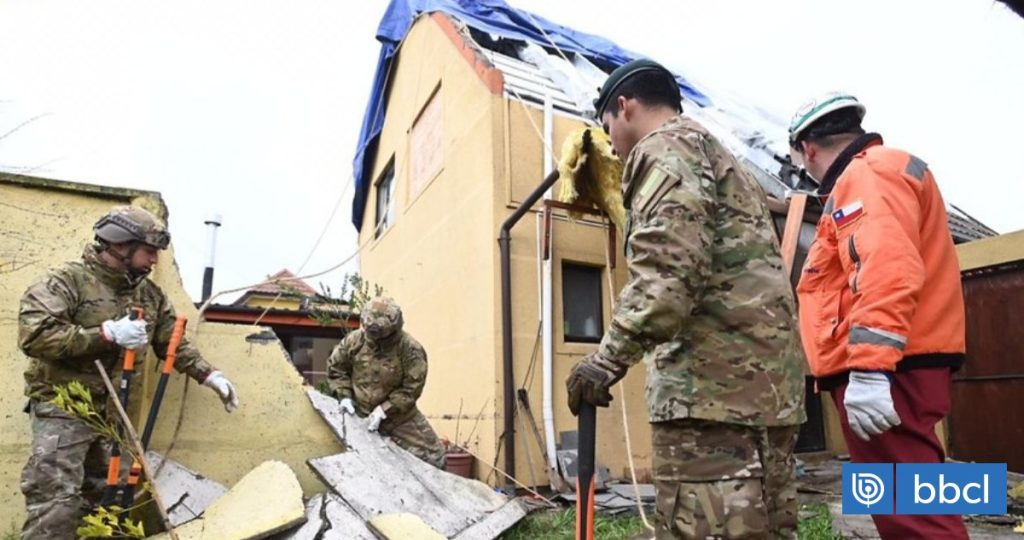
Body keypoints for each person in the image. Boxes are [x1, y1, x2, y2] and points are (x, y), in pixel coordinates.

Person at [565, 59, 806, 539]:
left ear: (625, 106)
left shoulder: (664, 149)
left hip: (709, 399)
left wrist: (604, 361)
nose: (611, 145)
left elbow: (667, 274)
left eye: (607, 129)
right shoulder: (723, 159)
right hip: (764, 393)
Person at [789, 92, 969, 539]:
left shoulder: (865, 175)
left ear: (808, 149)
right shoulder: (883, 171)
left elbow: (886, 266)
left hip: (888, 370)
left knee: (912, 516)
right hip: (899, 364)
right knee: (909, 502)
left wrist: (870, 370)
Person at [17, 205, 240, 539]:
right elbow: (34, 336)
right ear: (121, 244)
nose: (154, 260)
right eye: (149, 251)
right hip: (63, 410)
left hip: (115, 416)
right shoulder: (66, 281)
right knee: (56, 506)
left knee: (113, 505)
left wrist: (209, 375)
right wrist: (105, 334)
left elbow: (172, 342)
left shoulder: (148, 295)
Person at [326, 296, 446, 469]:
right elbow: (337, 368)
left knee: (434, 457)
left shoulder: (410, 349)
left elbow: (411, 388)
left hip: (400, 418)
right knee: (357, 460)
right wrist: (344, 396)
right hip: (360, 414)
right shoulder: (354, 341)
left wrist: (384, 410)